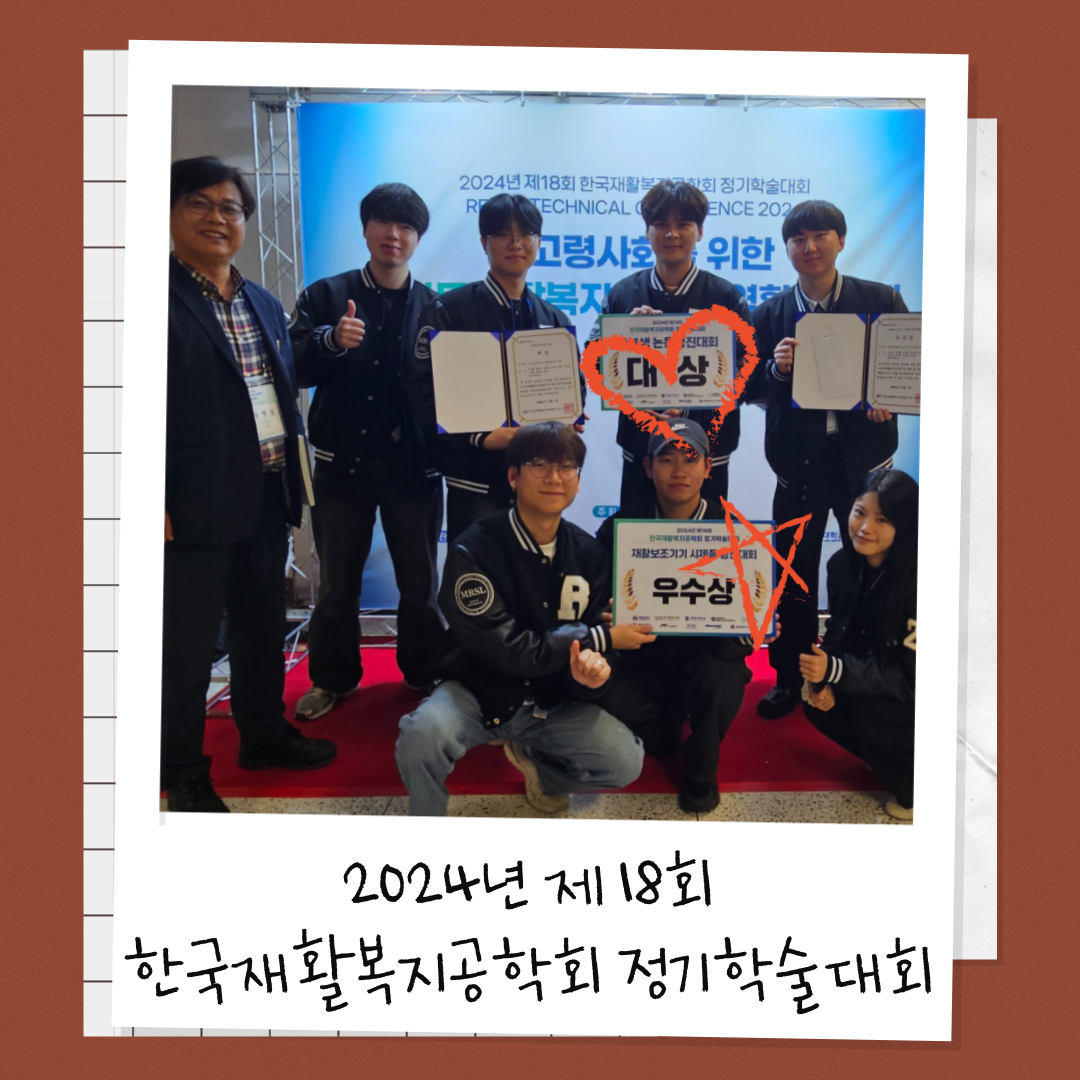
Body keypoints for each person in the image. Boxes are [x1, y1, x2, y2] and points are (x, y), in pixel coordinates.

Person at [163, 156, 336, 813]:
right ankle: (182, 769)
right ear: (171, 212)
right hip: (190, 504)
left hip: (266, 494)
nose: (217, 218)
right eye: (200, 203)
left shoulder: (262, 301)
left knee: (262, 630)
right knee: (185, 648)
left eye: (230, 208)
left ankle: (262, 735)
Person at [395, 422, 655, 816]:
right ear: (513, 477)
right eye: (539, 465)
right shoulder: (473, 549)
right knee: (421, 734)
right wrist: (600, 639)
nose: (554, 477)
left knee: (625, 761)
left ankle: (543, 773)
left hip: (552, 698)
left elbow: (603, 649)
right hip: (477, 692)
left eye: (566, 467)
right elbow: (508, 650)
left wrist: (589, 675)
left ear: (578, 481)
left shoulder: (590, 554)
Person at [287, 183, 444, 721]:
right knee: (336, 584)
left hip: (414, 469)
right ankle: (332, 678)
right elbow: (291, 367)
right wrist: (330, 340)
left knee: (420, 584)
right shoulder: (324, 295)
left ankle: (423, 672)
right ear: (365, 228)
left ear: (418, 237)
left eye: (406, 226)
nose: (393, 234)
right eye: (383, 222)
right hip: (342, 467)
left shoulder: (436, 307)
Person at [749, 200, 909, 720]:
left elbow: (909, 366)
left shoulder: (880, 300)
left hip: (864, 464)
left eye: (820, 235)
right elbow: (750, 389)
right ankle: (788, 675)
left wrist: (891, 396)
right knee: (793, 572)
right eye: (798, 238)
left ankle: (857, 668)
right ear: (787, 247)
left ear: (841, 241)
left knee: (869, 565)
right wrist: (776, 371)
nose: (810, 247)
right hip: (798, 464)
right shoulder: (769, 313)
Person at [595, 419, 753, 813]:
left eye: (690, 459)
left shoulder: (733, 532)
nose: (679, 471)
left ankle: (700, 774)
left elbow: (746, 623)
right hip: (643, 659)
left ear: (708, 467)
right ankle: (665, 724)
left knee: (723, 673)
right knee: (601, 689)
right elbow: (596, 608)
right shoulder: (619, 528)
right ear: (648, 467)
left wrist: (754, 624)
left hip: (704, 658)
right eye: (666, 459)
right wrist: (605, 616)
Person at [410, 193, 582, 544]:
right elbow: (421, 394)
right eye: (503, 233)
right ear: (483, 242)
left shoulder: (553, 318)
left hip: (540, 482)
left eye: (526, 233)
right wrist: (481, 438)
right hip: (476, 482)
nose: (515, 243)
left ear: (539, 241)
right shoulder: (449, 311)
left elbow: (576, 385)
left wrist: (570, 414)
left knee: (536, 574)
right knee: (475, 573)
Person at [589, 180, 753, 507]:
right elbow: (593, 363)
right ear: (647, 231)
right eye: (661, 224)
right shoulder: (622, 295)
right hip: (642, 448)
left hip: (707, 450)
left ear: (700, 232)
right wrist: (622, 339)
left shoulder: (726, 298)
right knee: (638, 533)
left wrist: (689, 407)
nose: (672, 234)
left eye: (684, 224)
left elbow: (747, 373)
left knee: (704, 536)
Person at [799, 469, 918, 820]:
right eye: (859, 512)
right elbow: (838, 630)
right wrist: (822, 679)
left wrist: (837, 671)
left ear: (904, 525)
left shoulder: (922, 581)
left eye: (882, 520)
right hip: (875, 675)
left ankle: (916, 789)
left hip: (921, 698)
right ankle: (884, 753)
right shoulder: (841, 565)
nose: (865, 528)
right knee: (817, 703)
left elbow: (911, 679)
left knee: (869, 708)